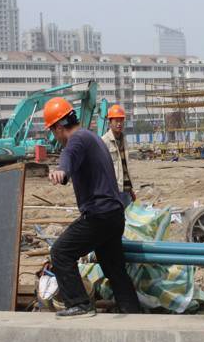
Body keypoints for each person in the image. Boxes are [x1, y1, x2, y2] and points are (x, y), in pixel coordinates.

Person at [43, 97, 141, 318]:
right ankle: (133, 313)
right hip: (115, 215)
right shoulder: (92, 137)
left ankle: (79, 304)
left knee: (60, 252)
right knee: (114, 268)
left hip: (99, 215)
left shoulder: (76, 140)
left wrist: (61, 171)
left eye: (53, 131)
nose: (54, 136)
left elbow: (67, 157)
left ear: (59, 127)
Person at [101, 104, 136, 207]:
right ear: (110, 122)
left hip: (125, 190)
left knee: (127, 219)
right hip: (113, 191)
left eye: (121, 121)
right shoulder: (104, 141)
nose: (119, 124)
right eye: (116, 121)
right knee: (116, 219)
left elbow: (124, 167)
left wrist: (130, 190)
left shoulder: (124, 140)